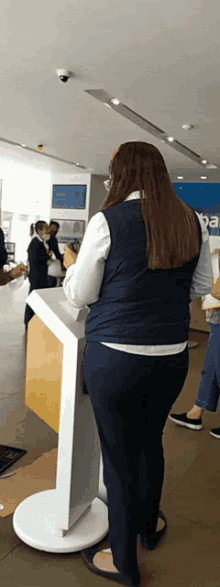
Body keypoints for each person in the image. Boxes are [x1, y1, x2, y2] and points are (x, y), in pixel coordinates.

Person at [62, 141, 213, 587]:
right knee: (151, 445)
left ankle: (123, 561)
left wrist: (73, 266)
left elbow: (79, 294)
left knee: (120, 461)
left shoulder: (107, 221)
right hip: (171, 358)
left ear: (122, 175)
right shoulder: (191, 219)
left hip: (116, 361)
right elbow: (201, 284)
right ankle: (148, 528)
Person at [169, 248, 220, 439]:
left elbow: (216, 290)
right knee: (211, 369)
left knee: (217, 367)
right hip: (217, 318)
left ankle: (196, 412)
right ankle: (196, 412)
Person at [24, 221, 52, 326]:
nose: (48, 231)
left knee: (38, 299)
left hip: (41, 275)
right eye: (46, 229)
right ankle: (27, 321)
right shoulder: (35, 243)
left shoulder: (41, 242)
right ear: (39, 231)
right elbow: (34, 258)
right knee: (32, 299)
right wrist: (47, 257)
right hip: (36, 276)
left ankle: (34, 321)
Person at [47, 221, 66, 287]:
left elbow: (57, 253)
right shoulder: (44, 239)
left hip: (48, 265)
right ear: (48, 228)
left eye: (56, 228)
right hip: (42, 266)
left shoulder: (53, 239)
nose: (54, 230)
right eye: (53, 228)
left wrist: (62, 259)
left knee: (52, 282)